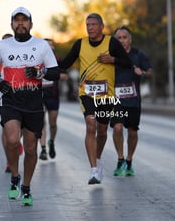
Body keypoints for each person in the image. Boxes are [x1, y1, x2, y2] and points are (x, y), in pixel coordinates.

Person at [0, 7, 60, 206]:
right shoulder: (3, 45)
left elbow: (54, 72)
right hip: (10, 100)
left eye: (24, 20)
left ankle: (26, 188)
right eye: (16, 21)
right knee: (11, 139)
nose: (20, 24)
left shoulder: (41, 45)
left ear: (30, 24)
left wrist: (39, 73)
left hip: (34, 103)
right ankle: (15, 176)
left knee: (31, 149)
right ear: (11, 25)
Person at [58, 13, 131, 184]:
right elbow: (66, 63)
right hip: (87, 93)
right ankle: (93, 169)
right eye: (87, 25)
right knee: (91, 126)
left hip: (107, 96)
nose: (89, 28)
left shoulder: (111, 43)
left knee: (103, 131)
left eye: (93, 24)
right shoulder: (80, 44)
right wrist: (47, 63)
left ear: (101, 26)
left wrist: (112, 59)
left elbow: (127, 62)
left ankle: (97, 159)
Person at [110, 26, 153, 177]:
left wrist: (141, 72)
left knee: (132, 132)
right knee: (117, 128)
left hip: (134, 101)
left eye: (124, 37)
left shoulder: (138, 55)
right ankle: (120, 159)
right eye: (119, 38)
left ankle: (129, 160)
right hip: (116, 100)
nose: (122, 40)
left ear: (130, 39)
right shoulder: (111, 56)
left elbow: (150, 71)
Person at [0, 33, 23, 173]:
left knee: (21, 127)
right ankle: (9, 160)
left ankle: (17, 142)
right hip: (5, 97)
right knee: (5, 129)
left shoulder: (21, 55)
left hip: (23, 96)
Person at [39, 38, 67, 160]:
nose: (49, 47)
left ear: (53, 48)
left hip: (53, 96)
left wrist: (49, 74)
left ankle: (51, 142)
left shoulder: (58, 60)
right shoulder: (37, 60)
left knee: (53, 124)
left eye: (51, 45)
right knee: (42, 123)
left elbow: (65, 76)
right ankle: (43, 149)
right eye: (46, 45)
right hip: (40, 96)